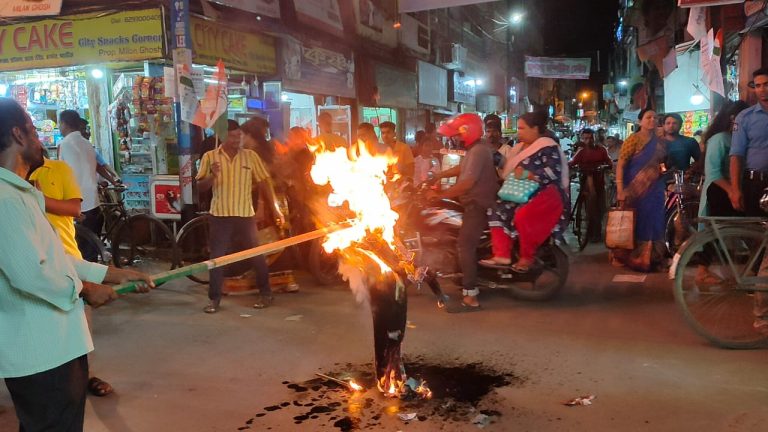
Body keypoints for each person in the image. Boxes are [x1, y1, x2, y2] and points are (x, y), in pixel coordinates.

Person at [0, 97, 154, 432]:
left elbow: (54, 257)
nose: (41, 140)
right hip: (41, 355)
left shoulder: (22, 194)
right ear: (18, 135)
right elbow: (30, 274)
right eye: (34, 131)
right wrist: (85, 289)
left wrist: (112, 274)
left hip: (57, 348)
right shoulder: (6, 199)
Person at [196, 120, 285, 313]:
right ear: (223, 136)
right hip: (220, 216)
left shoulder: (250, 157)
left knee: (257, 256)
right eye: (234, 136)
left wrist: (275, 208)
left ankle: (266, 293)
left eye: (240, 136)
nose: (238, 139)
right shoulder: (210, 157)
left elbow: (264, 182)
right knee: (217, 259)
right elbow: (200, 187)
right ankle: (214, 299)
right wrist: (212, 175)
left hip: (245, 215)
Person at [482, 111, 570, 272]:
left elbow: (553, 172)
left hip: (544, 194)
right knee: (494, 209)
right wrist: (485, 150)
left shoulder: (547, 146)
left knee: (523, 216)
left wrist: (529, 175)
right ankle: (502, 254)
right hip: (519, 193)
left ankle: (527, 257)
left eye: (522, 128)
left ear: (535, 128)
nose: (518, 132)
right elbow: (505, 165)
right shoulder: (518, 148)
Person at [429, 113, 497, 310]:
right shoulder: (476, 149)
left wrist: (440, 195)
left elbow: (467, 183)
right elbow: (462, 169)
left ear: (468, 131)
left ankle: (471, 296)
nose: (456, 138)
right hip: (473, 202)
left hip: (477, 204)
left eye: (458, 134)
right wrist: (439, 175)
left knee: (464, 246)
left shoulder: (478, 151)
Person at [727, 67, 768, 334]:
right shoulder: (746, 117)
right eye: (758, 85)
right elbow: (736, 155)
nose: (762, 89)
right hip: (755, 185)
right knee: (760, 245)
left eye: (766, 84)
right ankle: (761, 312)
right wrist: (734, 188)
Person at [692, 101, 750, 285]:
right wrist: (732, 191)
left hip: (734, 190)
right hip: (719, 191)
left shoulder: (738, 138)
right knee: (716, 232)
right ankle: (702, 271)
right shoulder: (720, 139)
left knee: (736, 231)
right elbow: (714, 172)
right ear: (734, 118)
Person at [613, 109, 667, 271]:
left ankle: (652, 257)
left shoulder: (661, 142)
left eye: (655, 117)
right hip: (634, 190)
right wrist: (620, 189)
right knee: (636, 222)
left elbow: (662, 163)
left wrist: (661, 171)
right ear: (640, 121)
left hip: (655, 189)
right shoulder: (633, 140)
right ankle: (632, 257)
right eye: (648, 117)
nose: (652, 120)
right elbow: (621, 165)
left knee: (655, 222)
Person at [58, 110, 101, 261]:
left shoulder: (65, 144)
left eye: (59, 123)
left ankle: (86, 282)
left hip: (78, 205)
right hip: (94, 202)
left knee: (79, 251)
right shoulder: (87, 144)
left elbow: (62, 176)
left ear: (64, 123)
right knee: (92, 250)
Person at [569, 128, 613, 242]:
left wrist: (604, 167)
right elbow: (572, 162)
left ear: (595, 138)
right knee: (590, 208)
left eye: (590, 138)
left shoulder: (602, 150)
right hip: (586, 181)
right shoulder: (581, 151)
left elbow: (609, 162)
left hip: (599, 182)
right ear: (582, 139)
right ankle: (590, 232)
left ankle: (596, 232)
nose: (588, 140)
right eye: (586, 138)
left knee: (600, 208)